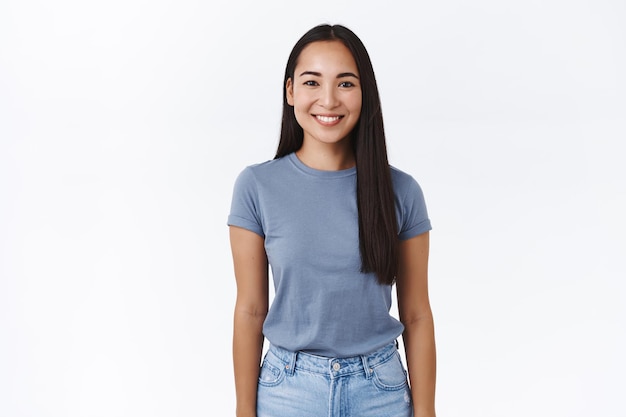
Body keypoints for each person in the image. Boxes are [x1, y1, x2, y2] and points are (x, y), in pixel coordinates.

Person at [228, 23, 436, 417]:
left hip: (381, 391)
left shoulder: (402, 191)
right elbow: (250, 310)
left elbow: (417, 314)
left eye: (345, 84)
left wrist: (426, 412)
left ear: (365, 94)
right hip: (286, 390)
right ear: (290, 91)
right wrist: (243, 411)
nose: (328, 100)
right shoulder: (257, 186)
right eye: (311, 82)